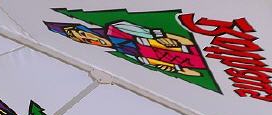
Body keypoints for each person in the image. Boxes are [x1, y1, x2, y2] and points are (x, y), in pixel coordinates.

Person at [46, 19, 208, 77]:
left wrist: (174, 42)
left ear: (86, 29)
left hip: (187, 50)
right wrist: (178, 69)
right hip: (182, 62)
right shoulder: (119, 50)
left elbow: (161, 36)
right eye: (81, 40)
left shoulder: (116, 29)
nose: (88, 39)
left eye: (83, 34)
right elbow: (148, 62)